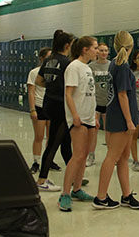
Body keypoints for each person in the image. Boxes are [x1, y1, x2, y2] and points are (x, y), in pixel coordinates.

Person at [93, 31, 139, 210]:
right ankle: (101, 197)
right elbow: (122, 95)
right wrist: (129, 121)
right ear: (131, 46)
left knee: (123, 157)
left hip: (120, 116)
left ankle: (127, 195)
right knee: (112, 156)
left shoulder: (116, 63)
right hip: (121, 118)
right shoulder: (121, 66)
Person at [58, 36, 99, 211]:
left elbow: (89, 93)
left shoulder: (87, 68)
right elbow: (69, 94)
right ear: (85, 49)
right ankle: (65, 194)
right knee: (78, 155)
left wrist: (94, 116)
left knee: (84, 156)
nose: (97, 51)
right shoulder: (74, 67)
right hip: (78, 118)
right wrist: (74, 115)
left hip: (89, 117)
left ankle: (77, 189)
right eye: (95, 48)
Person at [35, 30, 74, 191]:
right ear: (67, 45)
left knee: (65, 142)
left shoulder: (49, 60)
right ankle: (42, 179)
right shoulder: (67, 62)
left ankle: (74, 176)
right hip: (60, 106)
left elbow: (39, 80)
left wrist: (51, 87)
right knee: (53, 143)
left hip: (48, 103)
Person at [27, 47, 61, 174]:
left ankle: (49, 160)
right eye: (48, 57)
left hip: (51, 106)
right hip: (39, 106)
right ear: (42, 58)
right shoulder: (34, 72)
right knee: (39, 136)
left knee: (51, 137)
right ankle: (36, 162)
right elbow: (31, 92)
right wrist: (32, 109)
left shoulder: (55, 71)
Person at [87, 42, 111, 167]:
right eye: (101, 50)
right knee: (94, 130)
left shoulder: (111, 65)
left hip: (108, 102)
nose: (103, 53)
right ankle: (91, 155)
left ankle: (111, 156)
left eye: (105, 50)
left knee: (109, 130)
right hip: (96, 102)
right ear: (97, 52)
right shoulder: (91, 66)